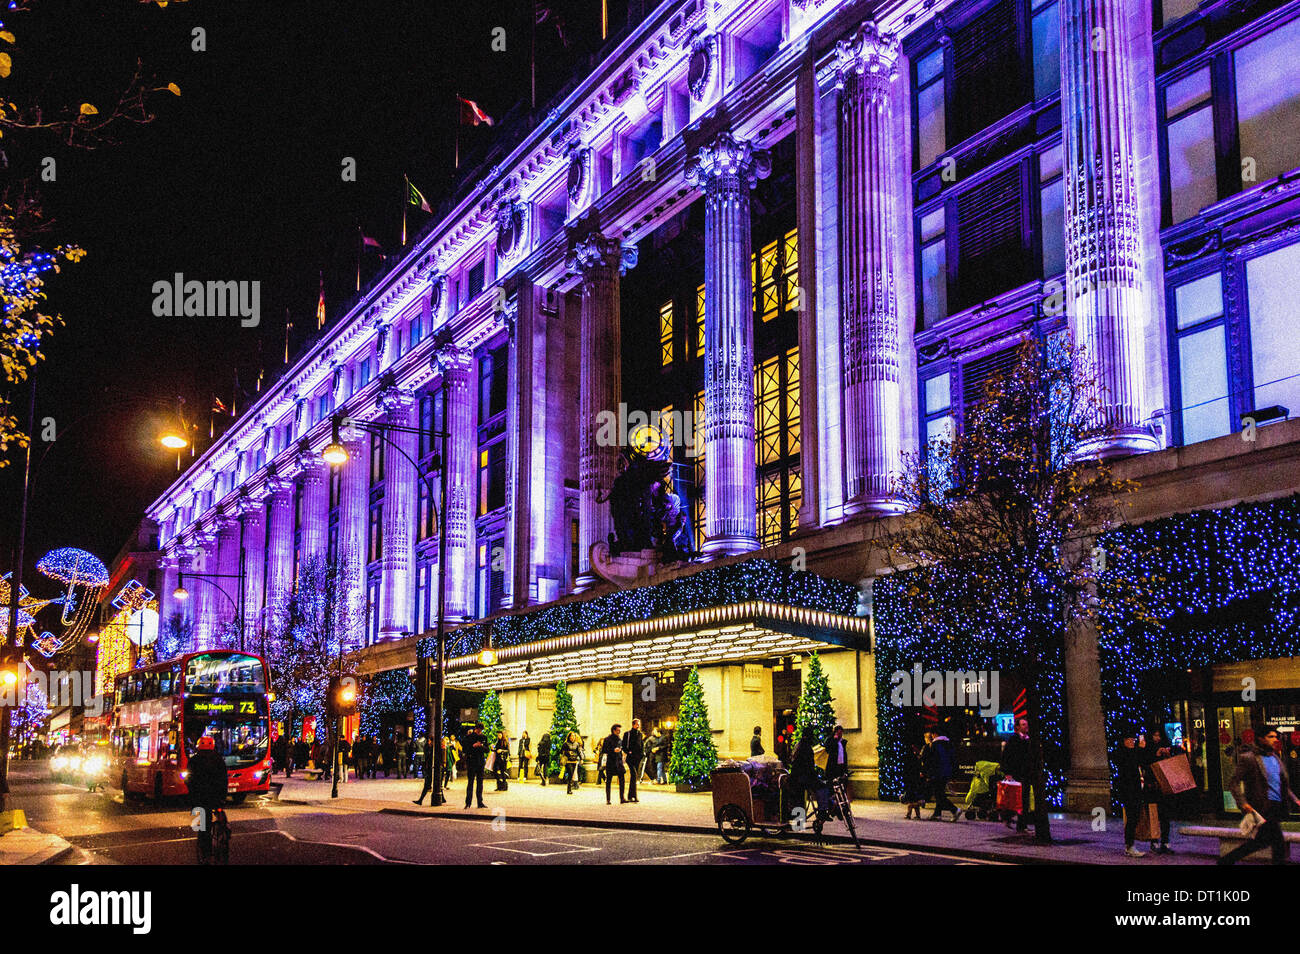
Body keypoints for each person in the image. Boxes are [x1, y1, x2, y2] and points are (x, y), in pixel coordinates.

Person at [1220, 725, 1300, 865]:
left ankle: (1226, 861)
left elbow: (1282, 785)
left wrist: (1295, 800)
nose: (1275, 739)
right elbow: (1233, 783)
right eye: (1271, 737)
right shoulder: (1249, 758)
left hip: (1276, 806)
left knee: (1261, 842)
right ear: (1261, 739)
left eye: (1276, 736)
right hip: (1262, 807)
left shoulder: (1275, 758)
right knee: (1278, 843)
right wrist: (1243, 803)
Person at [187, 735, 229, 862]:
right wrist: (223, 796)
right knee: (220, 813)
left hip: (200, 797)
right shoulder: (219, 760)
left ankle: (205, 854)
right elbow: (224, 779)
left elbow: (189, 779)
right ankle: (224, 832)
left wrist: (191, 792)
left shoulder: (194, 761)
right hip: (216, 796)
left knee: (203, 826)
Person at [1143, 726, 1181, 854]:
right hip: (1153, 788)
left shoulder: (1165, 747)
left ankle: (1165, 841)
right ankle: (1154, 841)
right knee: (1154, 815)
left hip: (1164, 788)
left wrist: (1167, 753)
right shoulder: (1148, 749)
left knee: (1165, 816)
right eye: (1155, 735)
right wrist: (1156, 755)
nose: (1157, 738)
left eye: (1159, 736)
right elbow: (1146, 764)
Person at [1114, 728, 1148, 858]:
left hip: (1135, 790)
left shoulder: (1132, 752)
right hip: (1129, 791)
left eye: (1133, 740)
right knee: (1131, 818)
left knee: (1134, 817)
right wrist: (1139, 749)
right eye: (1130, 740)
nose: (1132, 742)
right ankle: (1129, 845)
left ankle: (1130, 844)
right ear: (1124, 741)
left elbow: (1140, 761)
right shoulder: (1124, 754)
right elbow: (1131, 763)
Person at [999, 717, 1033, 831]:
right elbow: (1007, 757)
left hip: (1026, 773)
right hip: (1017, 773)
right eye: (1023, 724)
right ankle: (1009, 818)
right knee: (1018, 798)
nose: (1026, 726)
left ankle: (1021, 824)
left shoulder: (1029, 739)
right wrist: (1008, 772)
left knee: (1024, 799)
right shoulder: (1014, 739)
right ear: (1017, 727)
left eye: (1026, 724)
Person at [920, 729, 960, 821]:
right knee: (939, 793)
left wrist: (925, 772)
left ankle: (955, 810)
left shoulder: (934, 745)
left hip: (937, 773)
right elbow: (953, 759)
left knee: (939, 795)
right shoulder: (949, 744)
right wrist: (954, 774)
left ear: (935, 734)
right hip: (946, 773)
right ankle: (937, 814)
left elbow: (930, 761)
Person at [463, 722, 488, 808]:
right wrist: (473, 746)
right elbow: (465, 749)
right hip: (472, 762)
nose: (480, 732)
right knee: (470, 783)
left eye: (481, 731)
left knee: (480, 783)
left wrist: (481, 746)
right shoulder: (469, 737)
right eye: (478, 730)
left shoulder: (484, 737)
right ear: (476, 729)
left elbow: (487, 749)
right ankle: (468, 802)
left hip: (480, 762)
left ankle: (480, 802)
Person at [601, 724, 627, 805]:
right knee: (608, 781)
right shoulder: (607, 739)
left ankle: (622, 798)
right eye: (618, 730)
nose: (619, 732)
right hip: (611, 762)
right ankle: (608, 799)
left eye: (620, 730)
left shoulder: (620, 739)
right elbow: (604, 750)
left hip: (619, 762)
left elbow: (622, 747)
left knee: (622, 780)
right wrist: (613, 750)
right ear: (614, 730)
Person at [624, 719, 644, 802]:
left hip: (637, 758)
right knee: (634, 775)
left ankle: (630, 795)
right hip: (630, 758)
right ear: (633, 725)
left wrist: (642, 754)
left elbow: (641, 744)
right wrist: (628, 752)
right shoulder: (628, 734)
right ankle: (634, 796)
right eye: (637, 724)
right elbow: (624, 745)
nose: (638, 726)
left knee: (634, 776)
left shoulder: (640, 734)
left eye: (639, 724)